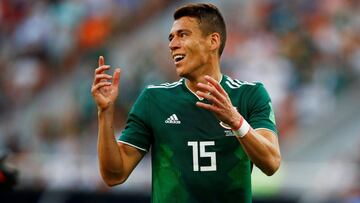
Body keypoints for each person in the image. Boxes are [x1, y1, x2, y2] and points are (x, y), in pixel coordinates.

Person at [91, 3, 281, 202]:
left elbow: (272, 162)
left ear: (213, 41)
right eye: (171, 37)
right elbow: (114, 175)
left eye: (183, 35)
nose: (172, 44)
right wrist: (105, 112)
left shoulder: (249, 95)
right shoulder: (154, 99)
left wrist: (236, 121)